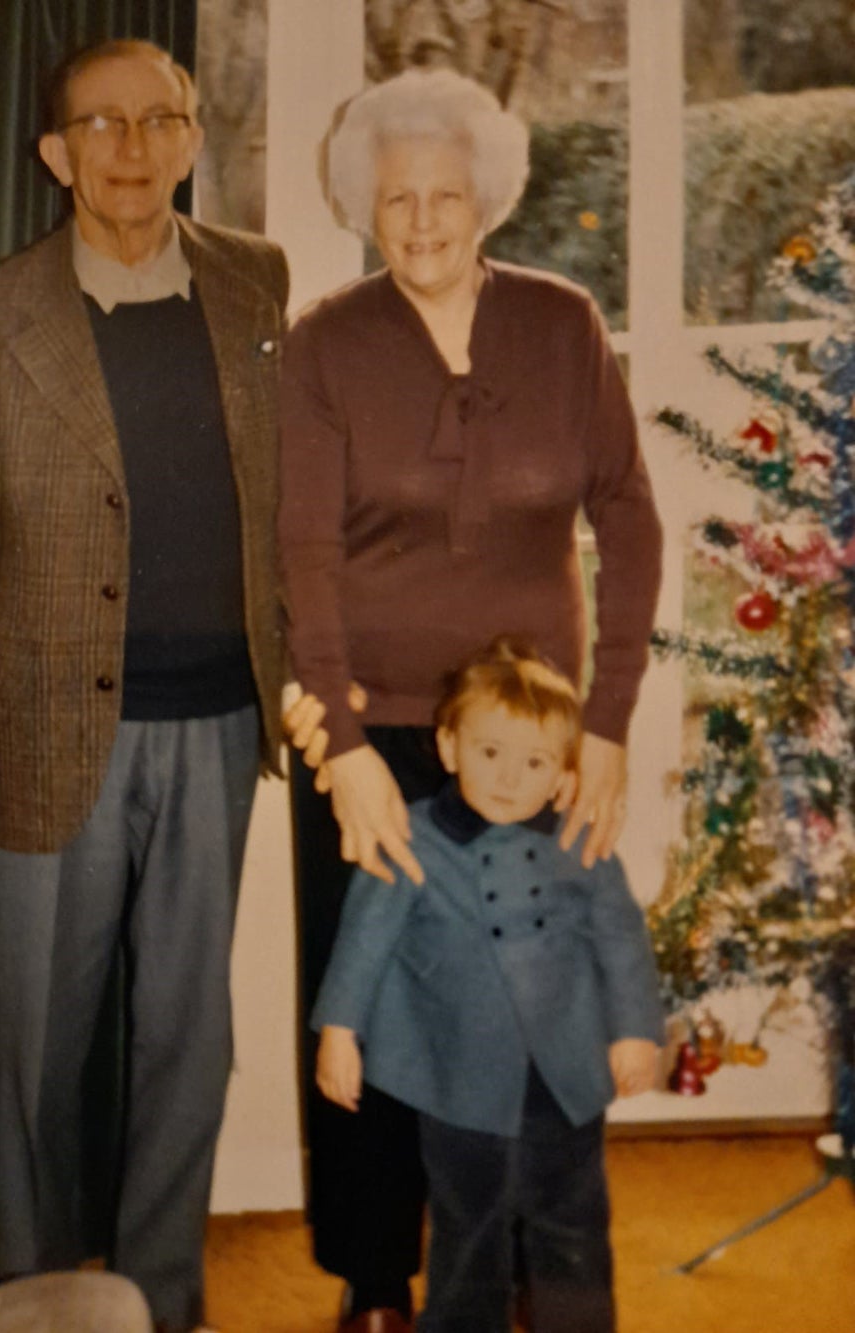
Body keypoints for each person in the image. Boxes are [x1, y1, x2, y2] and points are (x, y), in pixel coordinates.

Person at [0, 39, 287, 1333]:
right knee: (35, 1058)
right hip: (44, 742)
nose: (130, 146)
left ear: (191, 137)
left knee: (190, 1043)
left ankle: (163, 1301)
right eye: (98, 125)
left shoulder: (258, 284)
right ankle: (40, 1295)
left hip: (222, 725)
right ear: (56, 154)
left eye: (158, 118)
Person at [278, 68, 662, 1332]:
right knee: (372, 996)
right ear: (365, 207)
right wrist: (340, 744)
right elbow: (306, 557)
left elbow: (631, 523)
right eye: (399, 198)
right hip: (380, 730)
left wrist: (603, 725)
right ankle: (377, 1273)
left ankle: (508, 1265)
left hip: (532, 733)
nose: (425, 219)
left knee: (529, 993)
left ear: (486, 200)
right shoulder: (329, 342)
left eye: (447, 194)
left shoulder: (561, 324)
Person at [312, 640, 665, 1333]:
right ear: (448, 746)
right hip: (456, 1080)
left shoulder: (579, 840)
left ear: (564, 773)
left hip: (565, 1076)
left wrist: (635, 1030)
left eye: (535, 761)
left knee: (572, 1222)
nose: (508, 777)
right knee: (466, 1223)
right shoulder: (408, 837)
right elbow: (363, 941)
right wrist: (339, 1032)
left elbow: (621, 937)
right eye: (489, 751)